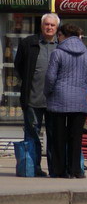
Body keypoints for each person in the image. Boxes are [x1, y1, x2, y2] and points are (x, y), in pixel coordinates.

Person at [44, 23, 87, 178]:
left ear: (63, 35)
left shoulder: (57, 53)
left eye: (58, 35)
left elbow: (50, 77)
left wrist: (48, 92)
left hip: (59, 100)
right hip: (79, 101)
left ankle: (59, 171)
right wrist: (83, 89)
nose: (57, 38)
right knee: (76, 137)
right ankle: (75, 170)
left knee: (59, 137)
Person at [13, 13, 60, 176]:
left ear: (57, 28)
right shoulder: (29, 43)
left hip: (55, 102)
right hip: (33, 99)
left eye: (52, 25)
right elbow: (18, 66)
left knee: (55, 136)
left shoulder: (61, 45)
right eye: (46, 24)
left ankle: (55, 169)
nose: (49, 27)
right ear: (41, 26)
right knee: (32, 135)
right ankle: (34, 168)